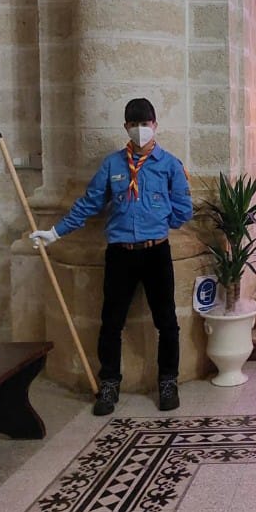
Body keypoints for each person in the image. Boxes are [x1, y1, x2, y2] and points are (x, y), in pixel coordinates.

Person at [29, 98, 193, 416]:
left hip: (156, 252)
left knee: (167, 321)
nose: (140, 130)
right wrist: (55, 232)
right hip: (120, 254)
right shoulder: (112, 165)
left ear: (155, 125)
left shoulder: (169, 164)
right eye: (134, 124)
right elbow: (88, 204)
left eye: (145, 124)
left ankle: (168, 381)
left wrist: (158, 222)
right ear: (126, 127)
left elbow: (183, 209)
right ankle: (109, 383)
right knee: (111, 322)